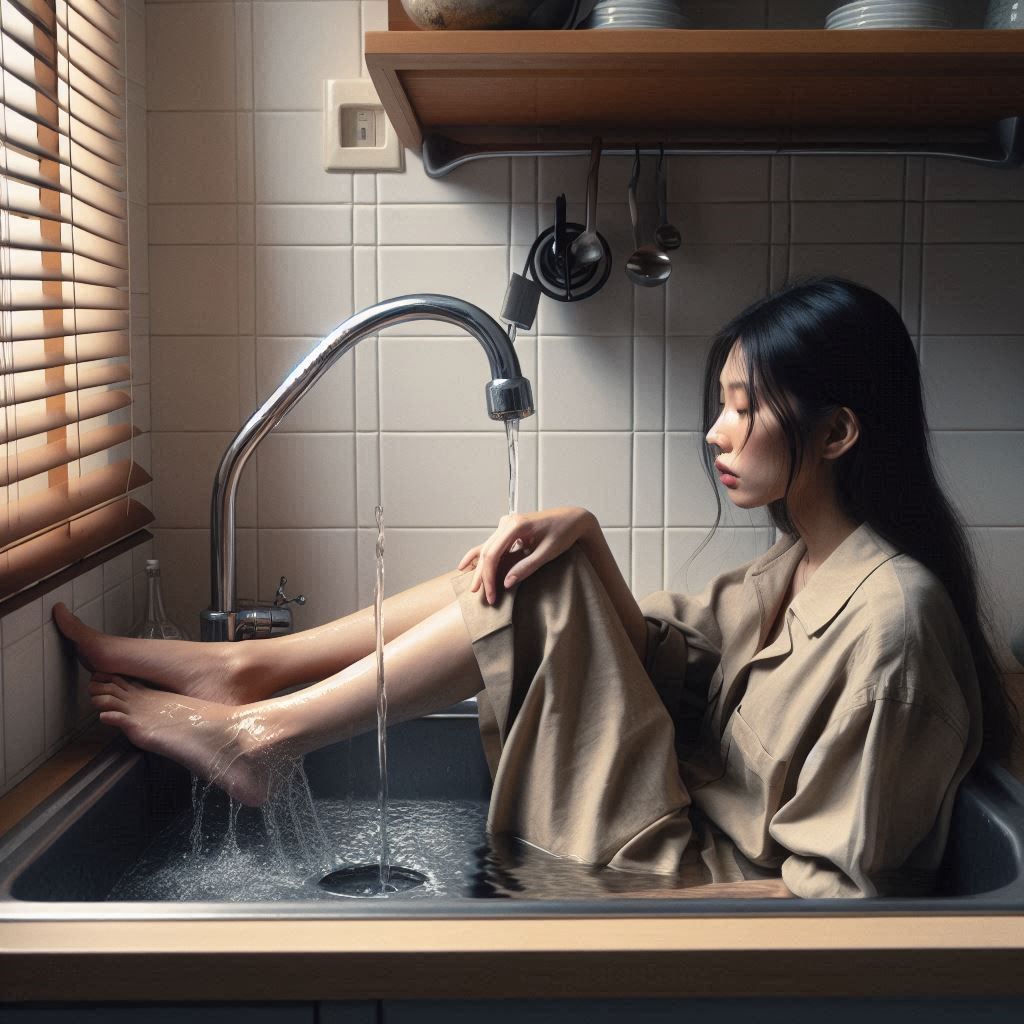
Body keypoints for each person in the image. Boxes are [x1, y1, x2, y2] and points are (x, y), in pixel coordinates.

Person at [53, 274, 1018, 900]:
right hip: (665, 814)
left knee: (536, 578)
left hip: (677, 878)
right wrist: (590, 540)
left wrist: (620, 922)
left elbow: (838, 901)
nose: (717, 434)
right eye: (719, 405)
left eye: (744, 408)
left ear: (839, 433)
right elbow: (653, 662)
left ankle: (257, 726)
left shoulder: (894, 624)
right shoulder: (803, 565)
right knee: (538, 558)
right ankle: (248, 672)